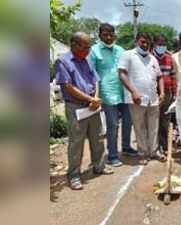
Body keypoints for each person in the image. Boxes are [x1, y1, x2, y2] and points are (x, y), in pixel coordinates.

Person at [55, 32, 114, 190]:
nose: (88, 50)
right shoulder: (63, 61)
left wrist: (95, 97)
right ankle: (74, 174)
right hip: (76, 106)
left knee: (98, 137)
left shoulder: (87, 59)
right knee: (76, 142)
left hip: (92, 105)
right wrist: (90, 100)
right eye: (85, 47)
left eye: (89, 47)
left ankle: (99, 166)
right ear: (74, 44)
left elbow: (96, 80)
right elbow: (68, 86)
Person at [90, 23, 137, 167]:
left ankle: (126, 147)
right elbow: (91, 73)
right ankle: (112, 155)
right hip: (107, 92)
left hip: (123, 91)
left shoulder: (120, 50)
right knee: (113, 125)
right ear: (100, 35)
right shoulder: (94, 50)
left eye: (111, 34)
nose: (109, 37)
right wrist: (95, 94)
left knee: (128, 121)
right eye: (105, 34)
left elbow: (127, 69)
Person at [118, 32, 166, 165]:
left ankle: (154, 151)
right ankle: (143, 153)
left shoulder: (153, 58)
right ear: (136, 41)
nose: (145, 45)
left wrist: (161, 92)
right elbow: (122, 74)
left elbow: (160, 76)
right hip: (136, 99)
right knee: (140, 127)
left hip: (153, 99)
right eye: (142, 42)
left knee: (153, 126)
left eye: (147, 43)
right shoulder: (127, 55)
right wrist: (133, 92)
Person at [152, 33, 177, 155]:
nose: (162, 46)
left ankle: (165, 145)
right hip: (154, 93)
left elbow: (173, 75)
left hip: (167, 93)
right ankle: (155, 146)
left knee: (165, 120)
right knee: (154, 119)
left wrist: (174, 92)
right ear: (155, 44)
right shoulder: (150, 57)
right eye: (159, 44)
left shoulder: (169, 57)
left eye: (164, 44)